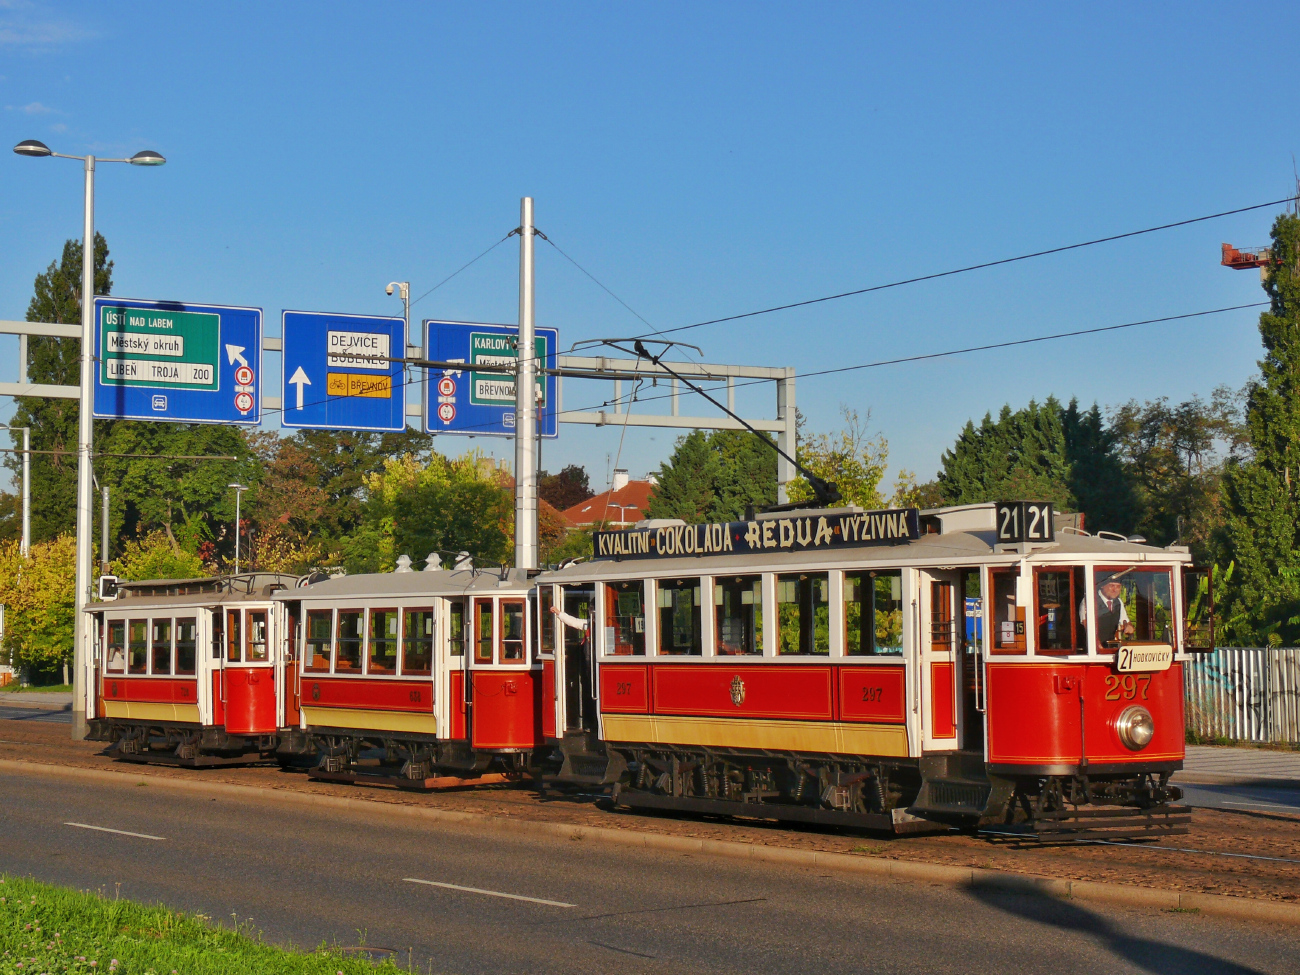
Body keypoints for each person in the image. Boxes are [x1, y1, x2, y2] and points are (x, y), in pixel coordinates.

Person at [1080, 574, 1136, 644]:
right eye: (1112, 586)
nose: (1115, 590)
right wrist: (1097, 644)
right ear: (1102, 586)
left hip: (1109, 646)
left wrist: (1128, 626)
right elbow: (1086, 624)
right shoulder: (1089, 600)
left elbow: (1125, 621)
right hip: (1091, 646)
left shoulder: (1118, 602)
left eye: (1118, 586)